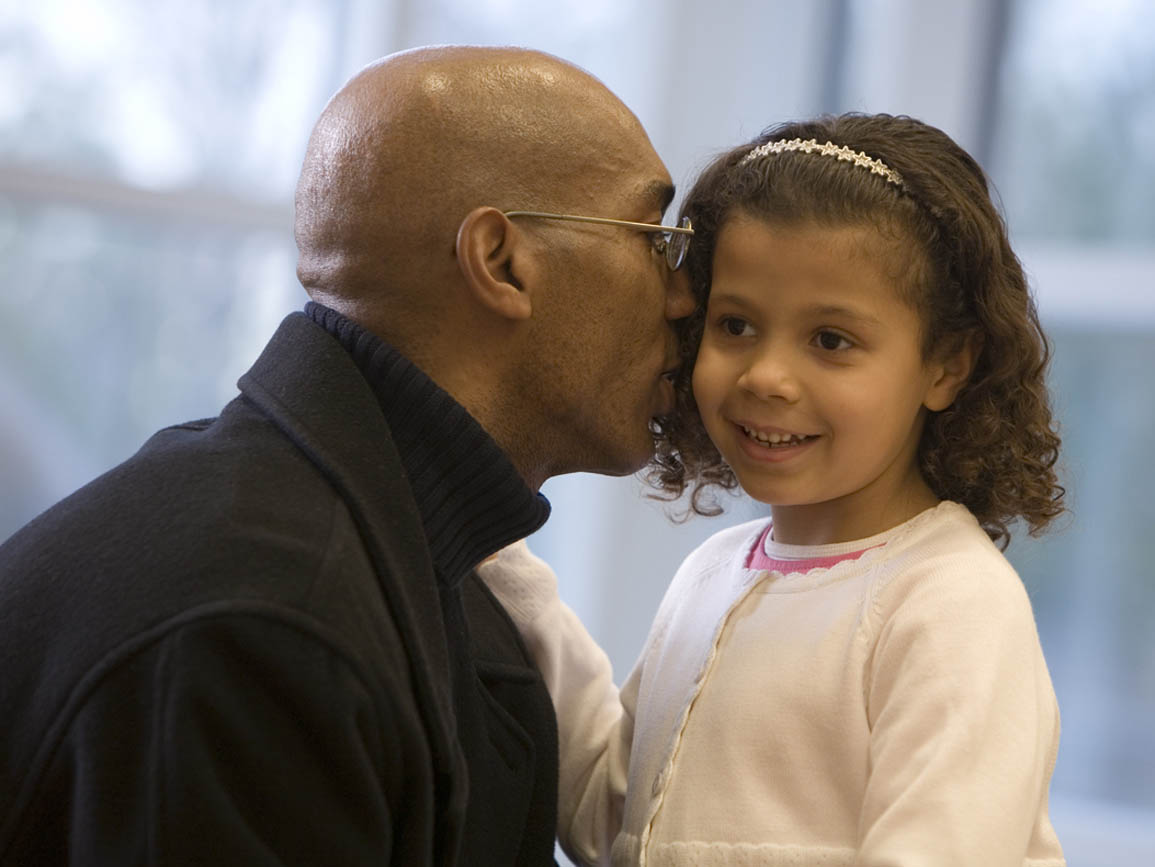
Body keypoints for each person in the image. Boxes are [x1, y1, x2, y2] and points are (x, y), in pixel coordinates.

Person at [0, 46, 695, 865]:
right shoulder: (264, 617)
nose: (684, 297)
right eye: (656, 238)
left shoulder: (409, 574)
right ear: (502, 263)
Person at [480, 113, 1068, 865]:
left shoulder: (950, 603)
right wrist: (495, 551)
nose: (765, 376)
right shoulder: (711, 573)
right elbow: (611, 821)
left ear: (945, 365)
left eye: (830, 340)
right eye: (735, 325)